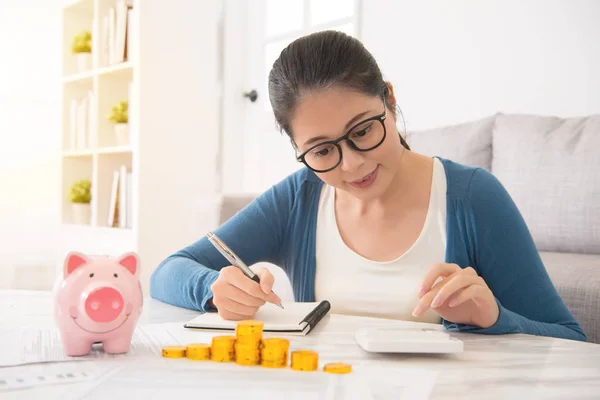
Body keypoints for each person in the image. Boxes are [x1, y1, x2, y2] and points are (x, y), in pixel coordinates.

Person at [149, 30, 586, 341]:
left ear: (389, 100)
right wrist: (213, 289)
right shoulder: (300, 197)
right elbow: (168, 270)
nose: (353, 164)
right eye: (321, 151)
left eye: (362, 131)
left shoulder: (472, 197)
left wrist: (493, 317)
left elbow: (570, 338)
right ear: (298, 149)